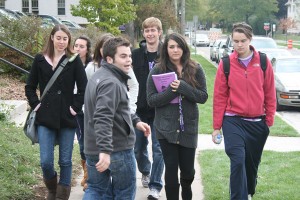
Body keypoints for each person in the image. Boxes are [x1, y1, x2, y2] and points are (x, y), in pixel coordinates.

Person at [212, 22, 276, 200]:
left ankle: (247, 192)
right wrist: (217, 127)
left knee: (251, 164)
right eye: (235, 41)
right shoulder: (226, 64)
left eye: (243, 41)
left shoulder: (263, 62)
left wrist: (268, 120)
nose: (239, 45)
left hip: (257, 123)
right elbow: (219, 97)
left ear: (250, 40)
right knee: (237, 160)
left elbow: (270, 93)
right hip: (233, 121)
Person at [83, 37, 151, 199]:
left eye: (129, 56)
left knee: (96, 190)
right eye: (123, 56)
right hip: (115, 149)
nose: (129, 60)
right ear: (109, 59)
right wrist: (105, 151)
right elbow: (103, 117)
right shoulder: (111, 82)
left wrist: (136, 121)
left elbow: (118, 107)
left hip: (94, 147)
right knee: (123, 194)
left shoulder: (99, 75)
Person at [25, 24, 87, 199]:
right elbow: (30, 87)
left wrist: (75, 108)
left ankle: (62, 195)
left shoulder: (73, 60)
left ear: (69, 41)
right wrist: (36, 104)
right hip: (45, 117)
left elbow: (84, 88)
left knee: (65, 161)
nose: (61, 42)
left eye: (65, 38)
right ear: (52, 38)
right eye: (58, 38)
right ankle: (52, 188)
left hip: (67, 117)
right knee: (45, 162)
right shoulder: (39, 59)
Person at [147, 32, 208, 200]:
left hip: (188, 126)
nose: (175, 50)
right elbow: (151, 100)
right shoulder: (157, 70)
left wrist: (183, 88)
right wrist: (170, 91)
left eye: (178, 46)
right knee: (171, 170)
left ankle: (187, 194)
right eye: (171, 47)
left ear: (184, 48)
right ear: (165, 49)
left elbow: (203, 96)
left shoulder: (195, 68)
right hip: (165, 128)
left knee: (188, 172)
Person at [132, 17, 164, 200]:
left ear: (159, 32)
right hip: (139, 109)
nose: (150, 33)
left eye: (154, 30)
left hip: (160, 108)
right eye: (147, 30)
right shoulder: (135, 54)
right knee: (138, 147)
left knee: (159, 149)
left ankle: (155, 185)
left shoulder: (166, 53)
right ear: (143, 33)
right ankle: (146, 170)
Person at [73, 35, 93, 191]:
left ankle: (92, 177)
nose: (78, 49)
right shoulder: (69, 63)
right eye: (76, 45)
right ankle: (87, 177)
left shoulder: (92, 66)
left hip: (92, 109)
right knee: (82, 143)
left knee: (92, 142)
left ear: (88, 49)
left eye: (82, 46)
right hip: (76, 109)